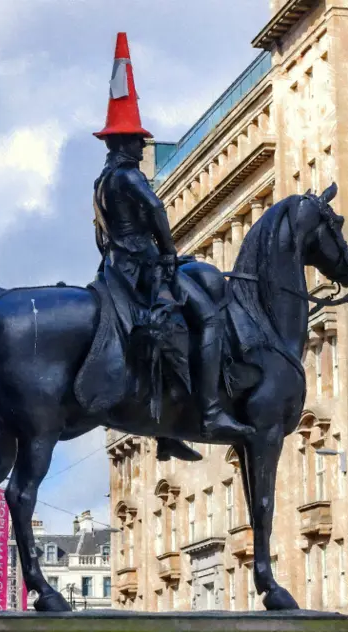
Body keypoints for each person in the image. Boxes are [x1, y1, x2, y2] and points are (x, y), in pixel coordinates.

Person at [93, 34, 254, 450]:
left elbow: (100, 234)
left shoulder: (101, 182)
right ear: (124, 143)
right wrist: (167, 252)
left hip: (114, 270)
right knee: (210, 318)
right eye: (137, 140)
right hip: (143, 268)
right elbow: (156, 210)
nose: (140, 145)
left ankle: (167, 426)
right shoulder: (129, 176)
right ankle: (211, 410)